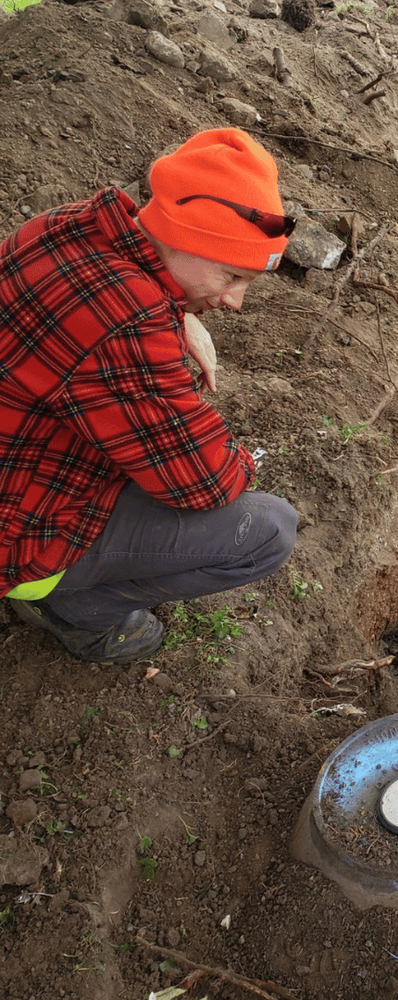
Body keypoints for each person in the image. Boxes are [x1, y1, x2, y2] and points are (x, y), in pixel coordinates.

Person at [0, 128, 299, 665]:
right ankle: (71, 607)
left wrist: (176, 313)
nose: (235, 302)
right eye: (232, 276)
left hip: (16, 455)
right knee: (268, 529)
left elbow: (106, 307)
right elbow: (207, 481)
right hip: (20, 528)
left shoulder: (63, 227)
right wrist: (175, 370)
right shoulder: (129, 325)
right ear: (184, 238)